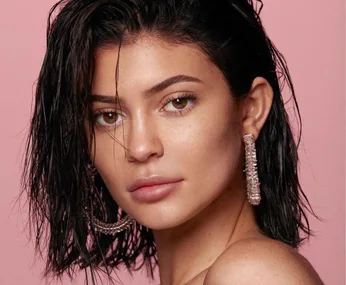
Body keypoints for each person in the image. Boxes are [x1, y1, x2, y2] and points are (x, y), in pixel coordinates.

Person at [22, 0, 325, 284]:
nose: (139, 148)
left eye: (178, 102)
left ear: (250, 110)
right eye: (109, 117)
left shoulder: (253, 274)